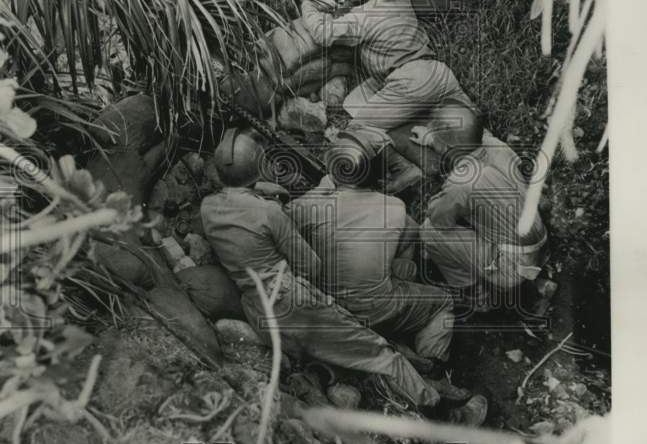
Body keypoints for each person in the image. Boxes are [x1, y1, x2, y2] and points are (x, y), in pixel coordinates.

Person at [200, 128, 476, 416]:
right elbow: (311, 266)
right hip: (295, 305)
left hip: (258, 311)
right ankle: (433, 402)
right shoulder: (271, 213)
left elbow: (255, 216)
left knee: (354, 337)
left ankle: (411, 368)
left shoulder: (209, 208)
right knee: (377, 351)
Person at [288, 127, 485, 419]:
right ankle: (432, 365)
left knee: (394, 269)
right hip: (379, 307)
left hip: (331, 310)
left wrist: (322, 189)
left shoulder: (306, 208)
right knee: (441, 301)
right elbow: (410, 235)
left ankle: (412, 364)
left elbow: (290, 213)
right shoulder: (393, 207)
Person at [285, 0, 475, 191]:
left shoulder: (363, 18)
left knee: (359, 128)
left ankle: (405, 169)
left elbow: (322, 33)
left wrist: (305, 2)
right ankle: (493, 162)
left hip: (408, 83)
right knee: (473, 125)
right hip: (436, 71)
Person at [412, 104, 549, 304]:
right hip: (539, 243)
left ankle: (475, 295)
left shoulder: (462, 182)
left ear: (447, 148)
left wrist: (440, 199)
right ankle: (537, 282)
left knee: (429, 232)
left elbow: (440, 220)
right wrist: (433, 139)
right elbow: (466, 140)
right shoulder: (495, 145)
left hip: (511, 265)